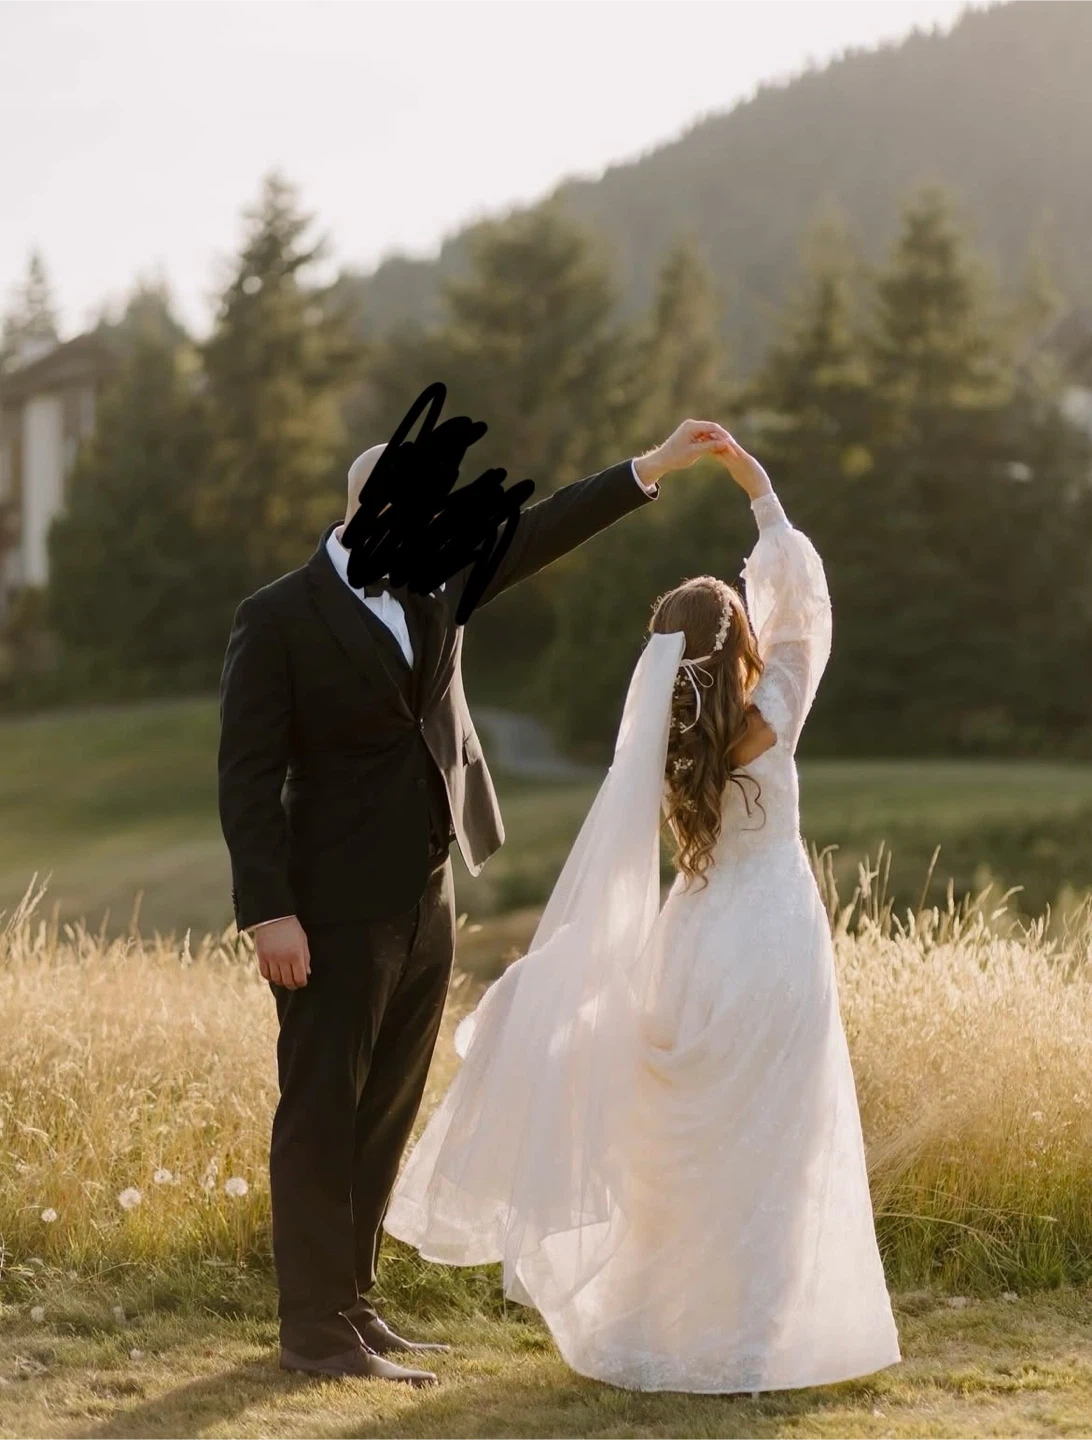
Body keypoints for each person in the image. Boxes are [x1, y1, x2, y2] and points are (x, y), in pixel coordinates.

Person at [217, 417, 731, 1383]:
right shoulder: (277, 616)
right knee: (322, 1110)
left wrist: (650, 468)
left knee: (386, 1107)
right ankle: (311, 1332)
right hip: (328, 904)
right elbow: (245, 776)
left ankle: (353, 1304)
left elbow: (540, 530)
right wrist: (267, 911)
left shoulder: (440, 577)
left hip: (428, 888)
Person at [385, 433, 901, 1394]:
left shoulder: (663, 747)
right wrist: (759, 490)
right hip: (774, 941)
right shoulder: (772, 717)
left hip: (692, 941)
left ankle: (669, 1319)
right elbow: (806, 617)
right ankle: (757, 1338)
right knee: (776, 1135)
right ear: (738, 645)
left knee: (680, 1146)